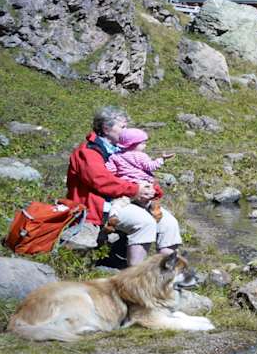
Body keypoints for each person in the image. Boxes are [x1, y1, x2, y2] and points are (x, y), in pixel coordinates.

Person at [65, 106, 182, 266]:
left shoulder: (123, 150)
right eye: (123, 127)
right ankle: (134, 277)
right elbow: (101, 181)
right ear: (106, 128)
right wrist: (135, 190)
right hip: (100, 205)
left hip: (127, 198)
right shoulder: (89, 151)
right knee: (144, 222)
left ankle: (167, 274)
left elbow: (137, 173)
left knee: (170, 224)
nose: (127, 130)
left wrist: (151, 189)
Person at [107, 127, 173, 221]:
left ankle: (113, 215)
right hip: (144, 185)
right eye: (142, 143)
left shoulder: (115, 156)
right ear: (133, 144)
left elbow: (111, 170)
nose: (145, 145)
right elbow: (150, 166)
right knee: (156, 192)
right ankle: (155, 209)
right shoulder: (141, 156)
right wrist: (162, 159)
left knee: (120, 202)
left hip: (128, 186)